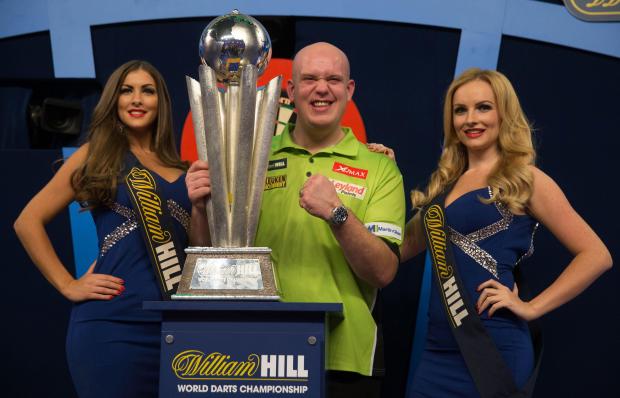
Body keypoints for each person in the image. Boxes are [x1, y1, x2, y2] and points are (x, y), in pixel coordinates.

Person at [186, 42, 406, 397]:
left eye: (333, 79)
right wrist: (199, 208)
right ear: (290, 90)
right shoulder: (248, 159)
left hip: (344, 358)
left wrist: (337, 215)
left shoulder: (380, 168)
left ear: (349, 90)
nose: (322, 88)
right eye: (309, 79)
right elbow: (211, 259)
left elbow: (383, 272)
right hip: (253, 353)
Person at [397, 68, 612, 397]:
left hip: (493, 346)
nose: (471, 119)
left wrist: (532, 307)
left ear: (504, 113)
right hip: (437, 350)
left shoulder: (525, 179)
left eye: (483, 107)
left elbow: (597, 255)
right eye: (460, 110)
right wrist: (374, 175)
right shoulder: (444, 186)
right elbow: (394, 251)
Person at [14, 60, 190, 397]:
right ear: (114, 100)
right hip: (112, 327)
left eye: (147, 91)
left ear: (161, 102)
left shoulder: (183, 169)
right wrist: (68, 284)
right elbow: (27, 221)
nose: (136, 99)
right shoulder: (96, 155)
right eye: (127, 90)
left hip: (176, 329)